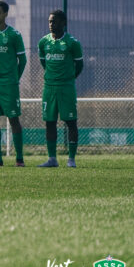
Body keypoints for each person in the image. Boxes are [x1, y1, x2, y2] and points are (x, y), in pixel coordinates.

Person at [0, 1, 27, 167]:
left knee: (13, 119)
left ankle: (19, 159)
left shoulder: (14, 35)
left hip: (9, 85)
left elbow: (22, 60)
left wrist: (15, 78)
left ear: (6, 14)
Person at [37, 9, 84, 168]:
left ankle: (71, 159)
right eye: (50, 21)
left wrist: (68, 78)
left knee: (71, 122)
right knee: (49, 123)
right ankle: (52, 159)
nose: (51, 24)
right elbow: (44, 63)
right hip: (49, 88)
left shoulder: (72, 43)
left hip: (66, 88)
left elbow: (79, 66)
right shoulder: (43, 42)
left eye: (54, 21)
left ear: (63, 23)